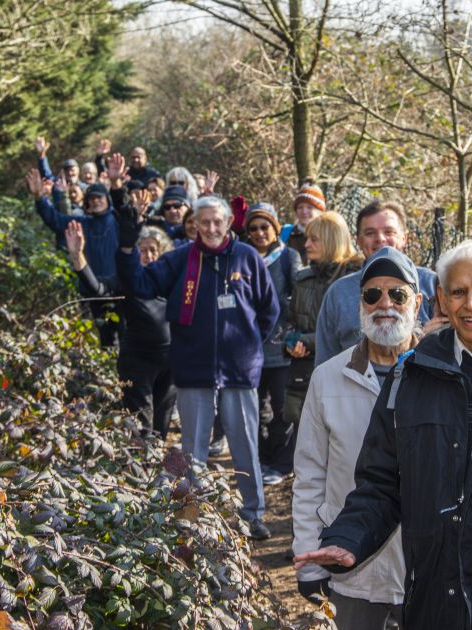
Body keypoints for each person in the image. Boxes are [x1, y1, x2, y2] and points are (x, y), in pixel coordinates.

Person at [294, 239, 472, 630]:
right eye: (459, 292)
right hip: (433, 595)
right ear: (441, 300)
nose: (471, 304)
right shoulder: (413, 374)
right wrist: (347, 538)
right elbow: (381, 482)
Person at [112, 154, 279, 539]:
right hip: (193, 371)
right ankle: (196, 516)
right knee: (193, 454)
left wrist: (250, 343)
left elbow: (269, 309)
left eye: (216, 221)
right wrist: (125, 245)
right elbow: (138, 283)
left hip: (239, 372)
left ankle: (252, 515)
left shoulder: (247, 258)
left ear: (226, 223)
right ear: (194, 226)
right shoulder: (180, 260)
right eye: (202, 222)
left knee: (245, 448)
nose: (210, 227)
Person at [292, 248, 421, 629]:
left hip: (426, 572)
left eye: (397, 294)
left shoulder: (441, 375)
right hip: (352, 572)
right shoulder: (328, 377)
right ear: (359, 303)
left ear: (418, 302)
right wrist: (309, 555)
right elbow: (310, 474)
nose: (385, 304)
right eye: (372, 294)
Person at [65, 219, 175, 438]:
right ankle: (140, 467)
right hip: (137, 360)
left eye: (153, 250)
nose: (148, 255)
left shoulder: (171, 279)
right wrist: (78, 256)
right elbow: (97, 288)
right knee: (141, 421)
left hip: (170, 361)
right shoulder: (127, 281)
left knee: (162, 421)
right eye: (142, 250)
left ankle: (159, 468)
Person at [312, 200, 440, 367]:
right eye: (370, 233)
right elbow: (325, 361)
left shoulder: (431, 284)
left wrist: (429, 338)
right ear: (358, 241)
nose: (380, 239)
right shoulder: (339, 292)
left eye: (389, 231)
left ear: (404, 238)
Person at [282, 212, 363, 443]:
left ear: (331, 240)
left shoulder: (354, 280)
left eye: (314, 239)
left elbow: (349, 333)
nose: (306, 244)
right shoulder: (302, 278)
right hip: (304, 375)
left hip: (344, 376)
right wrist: (290, 343)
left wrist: (305, 342)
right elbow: (289, 323)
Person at [25, 168, 122, 345]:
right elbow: (54, 219)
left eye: (99, 197)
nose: (96, 201)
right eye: (91, 198)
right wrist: (40, 198)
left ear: (107, 199)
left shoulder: (118, 221)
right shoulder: (81, 224)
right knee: (103, 341)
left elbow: (126, 209)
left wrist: (116, 184)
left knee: (125, 338)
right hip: (91, 291)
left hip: (119, 291)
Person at [242, 204, 301, 486]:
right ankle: (261, 458)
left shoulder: (289, 257)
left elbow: (299, 296)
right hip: (248, 346)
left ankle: (281, 462)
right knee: (254, 407)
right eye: (253, 228)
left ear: (275, 228)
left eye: (264, 226)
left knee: (280, 408)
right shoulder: (242, 258)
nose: (259, 232)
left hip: (280, 344)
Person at [280, 180, 325, 260]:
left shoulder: (327, 234)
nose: (304, 212)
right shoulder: (286, 234)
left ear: (319, 211)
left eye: (309, 207)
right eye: (300, 207)